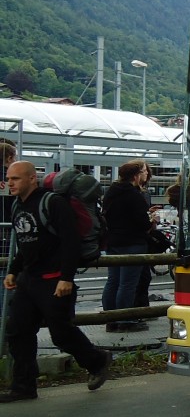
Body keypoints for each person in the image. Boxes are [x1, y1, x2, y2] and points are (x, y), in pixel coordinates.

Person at [1, 161, 111, 402]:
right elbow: (26, 242)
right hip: (29, 280)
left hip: (54, 280)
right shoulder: (18, 205)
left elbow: (70, 242)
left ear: (32, 179)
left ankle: (97, 360)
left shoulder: (53, 203)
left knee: (60, 333)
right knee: (18, 331)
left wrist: (66, 278)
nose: (10, 183)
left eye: (15, 179)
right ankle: (23, 386)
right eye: (9, 178)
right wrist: (14, 270)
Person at [100, 160, 153, 333]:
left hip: (113, 241)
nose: (146, 174)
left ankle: (110, 320)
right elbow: (143, 223)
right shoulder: (134, 195)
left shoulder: (111, 192)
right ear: (136, 176)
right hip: (132, 243)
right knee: (128, 284)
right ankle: (125, 321)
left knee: (113, 281)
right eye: (144, 171)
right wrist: (152, 220)